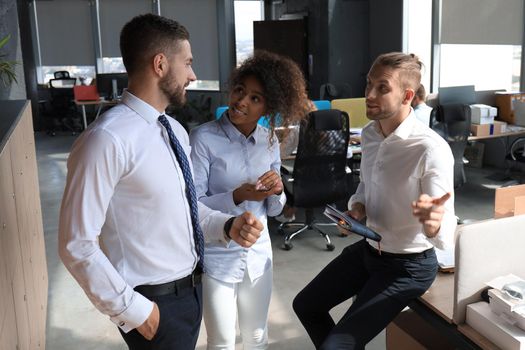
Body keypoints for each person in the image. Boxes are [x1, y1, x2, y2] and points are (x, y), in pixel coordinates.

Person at [58, 14, 263, 350]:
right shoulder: (106, 139)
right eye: (188, 63)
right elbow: (75, 243)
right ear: (160, 64)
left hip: (192, 292)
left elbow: (185, 208)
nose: (193, 75)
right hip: (153, 306)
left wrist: (227, 226)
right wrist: (137, 312)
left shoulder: (175, 131)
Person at [293, 52, 457, 350]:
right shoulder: (370, 135)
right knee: (305, 305)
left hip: (408, 266)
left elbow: (444, 232)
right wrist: (357, 208)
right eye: (369, 84)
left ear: (407, 96)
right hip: (371, 251)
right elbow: (367, 187)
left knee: (336, 346)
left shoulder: (430, 149)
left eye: (382, 88)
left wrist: (434, 223)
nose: (368, 94)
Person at [189, 50, 309, 349]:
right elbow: (194, 204)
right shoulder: (203, 138)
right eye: (240, 90)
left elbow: (276, 211)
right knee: (221, 342)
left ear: (268, 106)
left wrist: (278, 189)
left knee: (257, 337)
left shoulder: (269, 140)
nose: (242, 101)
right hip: (218, 254)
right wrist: (236, 196)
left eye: (255, 98)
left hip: (258, 255)